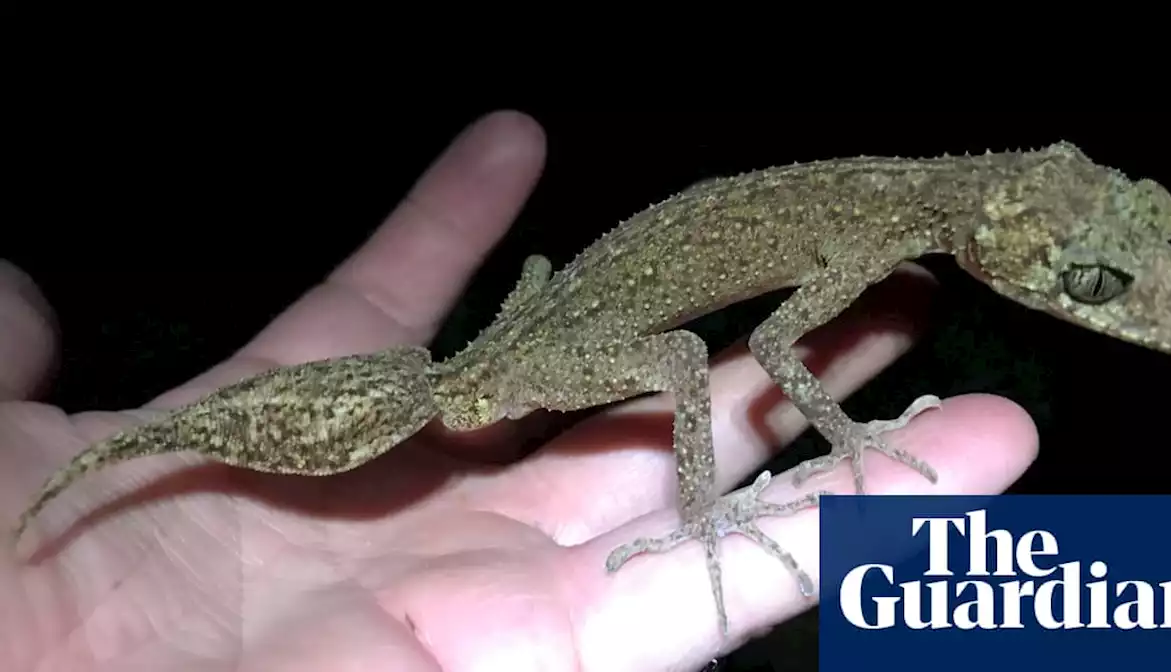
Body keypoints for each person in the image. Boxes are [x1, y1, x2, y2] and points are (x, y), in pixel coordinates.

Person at [0, 110, 1037, 670]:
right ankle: (698, 524)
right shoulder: (878, 221)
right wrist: (835, 439)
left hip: (540, 330)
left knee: (593, 341)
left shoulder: (885, 204)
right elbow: (764, 340)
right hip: (528, 357)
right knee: (681, 362)